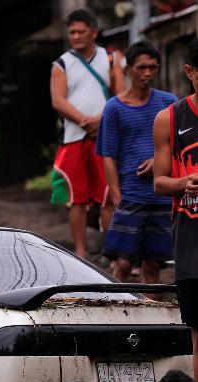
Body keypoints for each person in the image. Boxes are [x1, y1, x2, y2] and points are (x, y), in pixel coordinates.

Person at [97, 42, 176, 285]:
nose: (148, 73)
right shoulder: (114, 108)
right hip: (131, 194)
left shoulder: (170, 102)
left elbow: (182, 145)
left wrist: (159, 160)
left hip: (162, 196)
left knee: (154, 264)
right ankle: (115, 313)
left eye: (153, 67)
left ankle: (152, 317)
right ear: (128, 69)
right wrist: (116, 196)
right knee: (122, 263)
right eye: (142, 68)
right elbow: (107, 154)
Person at [50, 8, 124, 257]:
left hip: (105, 137)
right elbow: (58, 101)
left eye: (81, 31)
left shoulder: (112, 59)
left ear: (94, 32)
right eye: (72, 32)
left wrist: (101, 121)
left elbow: (121, 96)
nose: (75, 36)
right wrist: (85, 121)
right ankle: (80, 252)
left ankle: (109, 251)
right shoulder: (61, 63)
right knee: (77, 197)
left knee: (107, 195)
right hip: (73, 137)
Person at [153, 38, 198, 382]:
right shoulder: (169, 119)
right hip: (191, 240)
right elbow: (160, 182)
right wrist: (184, 182)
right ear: (189, 72)